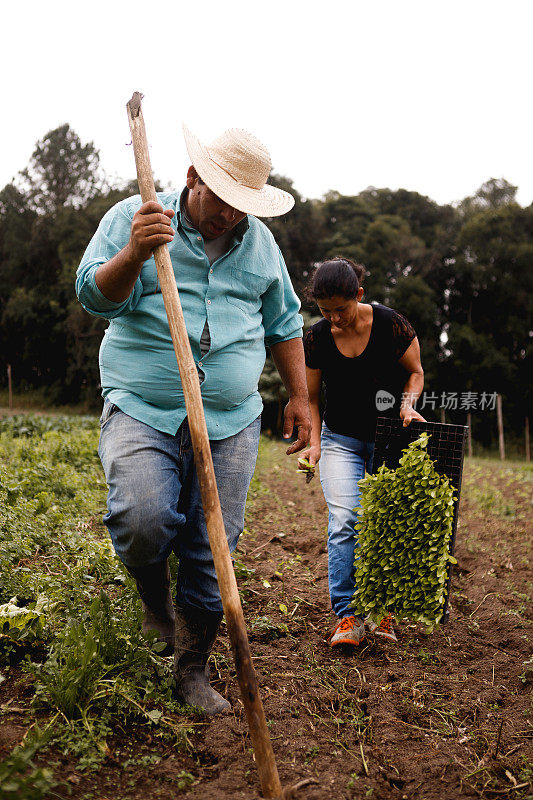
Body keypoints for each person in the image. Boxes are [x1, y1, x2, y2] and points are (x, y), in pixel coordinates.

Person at [76, 125, 311, 714]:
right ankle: (152, 590)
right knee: (143, 517)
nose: (229, 216)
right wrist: (134, 252)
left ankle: (192, 670)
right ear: (191, 179)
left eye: (242, 206)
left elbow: (284, 324)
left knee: (212, 549)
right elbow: (93, 295)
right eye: (220, 199)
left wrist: (302, 398)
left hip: (230, 419)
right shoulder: (136, 216)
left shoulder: (260, 247)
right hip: (143, 405)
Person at [300, 257, 425, 648]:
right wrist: (315, 443)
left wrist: (408, 404)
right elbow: (312, 396)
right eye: (325, 311)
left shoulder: (391, 324)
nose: (334, 319)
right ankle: (347, 616)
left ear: (358, 294)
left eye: (341, 309)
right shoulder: (317, 338)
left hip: (390, 437)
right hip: (339, 439)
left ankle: (383, 608)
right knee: (344, 518)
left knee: (384, 522)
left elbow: (415, 372)